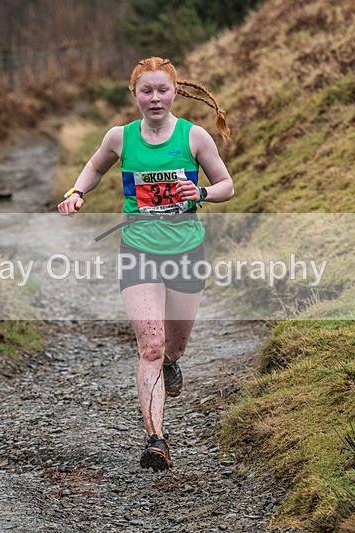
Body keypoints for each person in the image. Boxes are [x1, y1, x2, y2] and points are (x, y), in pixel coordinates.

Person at [57, 57, 234, 471]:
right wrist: (77, 192)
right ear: (134, 94)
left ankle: (172, 364)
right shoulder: (121, 137)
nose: (154, 98)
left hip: (186, 249)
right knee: (150, 345)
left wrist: (201, 193)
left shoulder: (195, 137)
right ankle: (157, 439)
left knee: (173, 346)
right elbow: (95, 166)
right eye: (146, 91)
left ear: (174, 92)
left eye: (162, 90)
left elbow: (226, 185)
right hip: (138, 248)